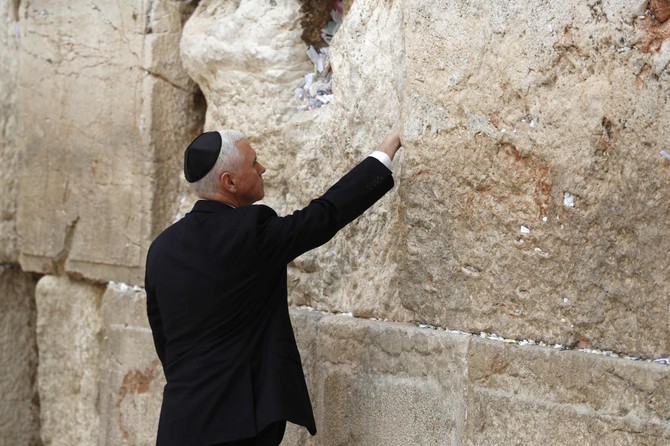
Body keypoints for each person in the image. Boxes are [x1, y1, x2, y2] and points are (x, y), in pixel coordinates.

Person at [145, 129, 402, 446]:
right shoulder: (249, 233)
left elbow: (165, 343)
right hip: (238, 426)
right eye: (254, 164)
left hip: (179, 424)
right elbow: (323, 216)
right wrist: (385, 153)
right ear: (230, 182)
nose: (263, 169)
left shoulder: (161, 248)